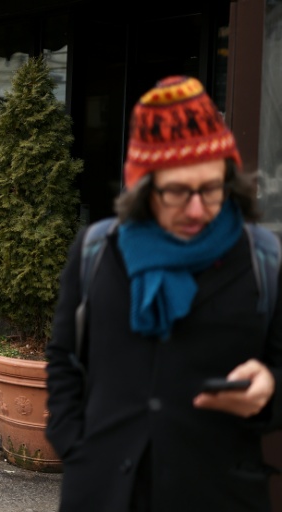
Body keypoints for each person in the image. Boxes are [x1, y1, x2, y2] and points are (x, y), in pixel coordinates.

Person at [46, 76, 282, 512]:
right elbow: (64, 357)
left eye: (211, 189)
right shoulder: (98, 250)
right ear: (143, 187)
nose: (196, 208)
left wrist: (270, 386)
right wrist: (71, 443)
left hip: (219, 493)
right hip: (101, 491)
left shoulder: (263, 259)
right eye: (176, 191)